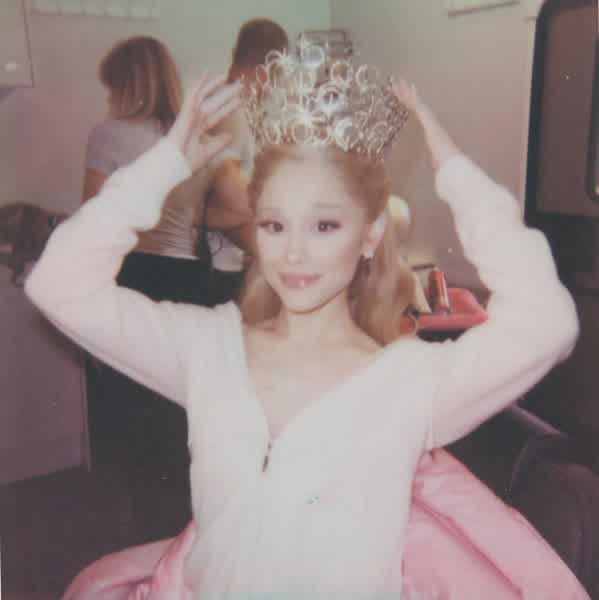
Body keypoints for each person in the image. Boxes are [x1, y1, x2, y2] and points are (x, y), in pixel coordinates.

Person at [28, 47, 580, 598]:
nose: (293, 254)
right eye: (274, 225)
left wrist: (452, 169)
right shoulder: (206, 347)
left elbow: (546, 321)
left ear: (370, 235)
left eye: (324, 226)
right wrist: (164, 164)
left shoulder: (410, 382)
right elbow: (58, 283)